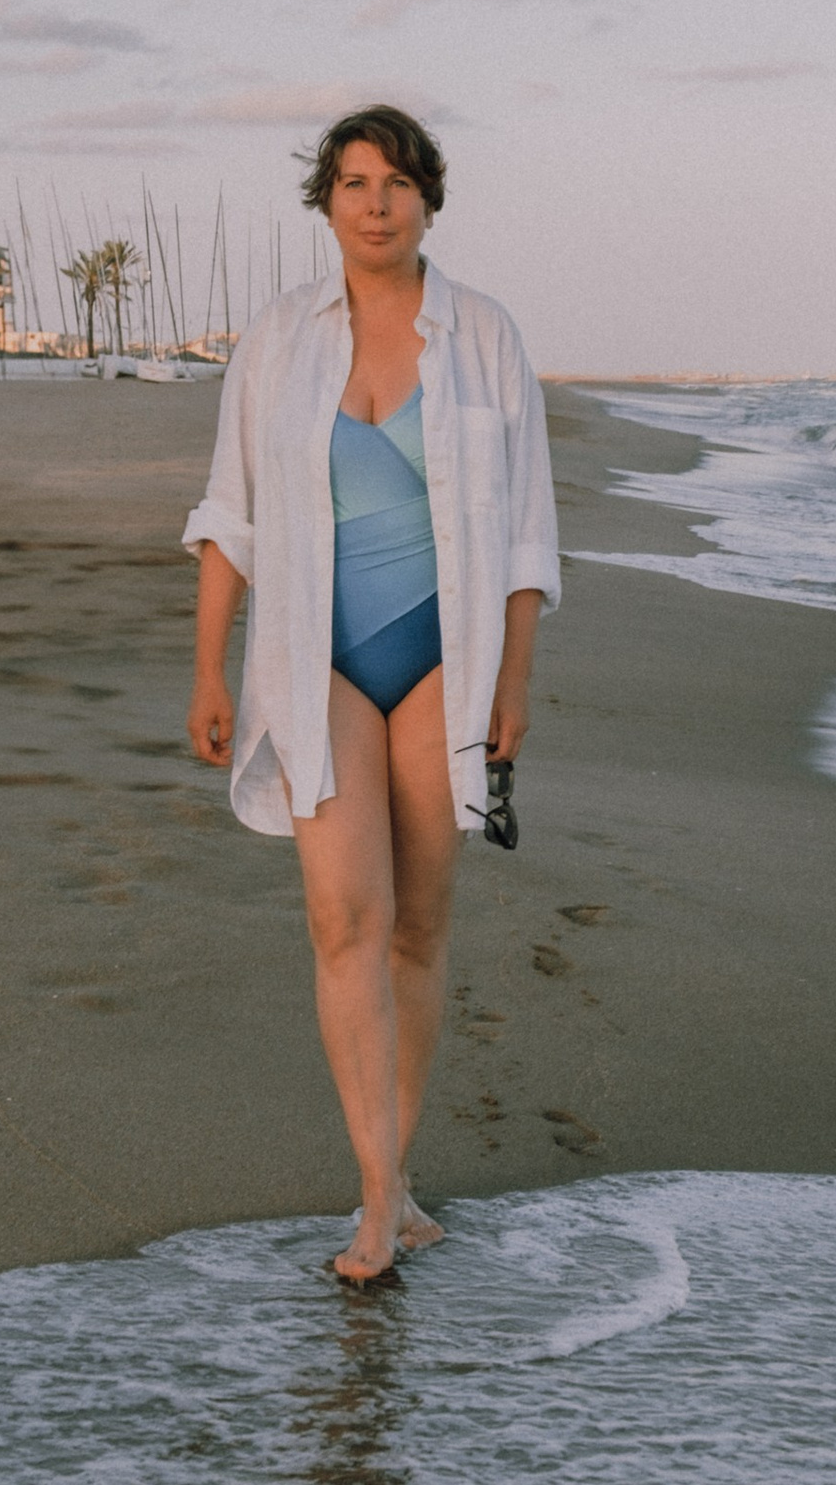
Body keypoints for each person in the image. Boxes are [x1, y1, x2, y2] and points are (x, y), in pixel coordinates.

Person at [184, 107, 559, 1285]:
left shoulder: (484, 337)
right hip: (315, 654)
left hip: (445, 657)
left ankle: (395, 1179)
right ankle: (373, 1200)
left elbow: (528, 536)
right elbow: (230, 512)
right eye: (353, 183)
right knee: (342, 918)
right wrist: (206, 664)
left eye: (397, 183)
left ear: (428, 201)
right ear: (327, 202)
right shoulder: (279, 343)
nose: (377, 203)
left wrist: (512, 680)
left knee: (415, 930)